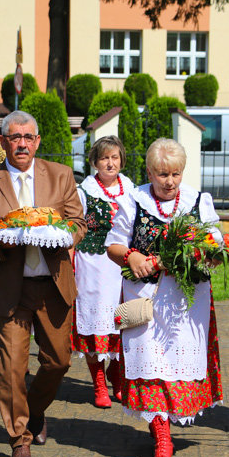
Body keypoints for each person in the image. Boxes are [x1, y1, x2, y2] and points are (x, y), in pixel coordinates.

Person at [0, 110, 87, 457]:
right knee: (12, 369)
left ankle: (34, 410)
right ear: (3, 141)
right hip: (10, 288)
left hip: (53, 285)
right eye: (14, 137)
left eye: (28, 137)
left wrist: (67, 235)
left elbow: (78, 222)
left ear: (37, 141)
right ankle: (19, 440)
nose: (21, 143)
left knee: (58, 363)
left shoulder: (61, 176)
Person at [105, 138, 224, 457]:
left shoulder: (198, 201)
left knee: (176, 365)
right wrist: (132, 255)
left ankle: (169, 425)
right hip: (145, 299)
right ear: (149, 171)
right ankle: (162, 438)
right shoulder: (134, 200)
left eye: (175, 174)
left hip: (188, 302)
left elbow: (215, 244)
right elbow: (113, 245)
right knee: (151, 365)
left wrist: (208, 254)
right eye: (161, 174)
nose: (169, 181)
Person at [72, 136, 135, 409]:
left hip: (122, 265)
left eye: (115, 158)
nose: (110, 163)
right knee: (96, 320)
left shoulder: (132, 190)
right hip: (93, 264)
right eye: (104, 158)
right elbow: (73, 227)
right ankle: (98, 382)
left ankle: (117, 376)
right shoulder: (84, 191)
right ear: (94, 162)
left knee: (122, 320)